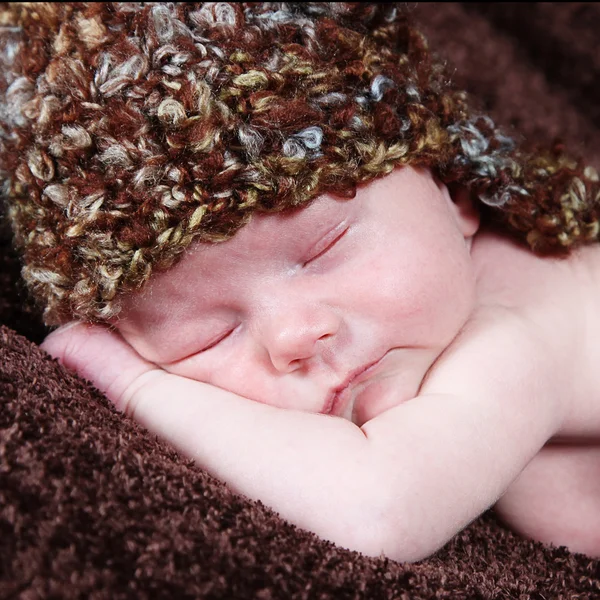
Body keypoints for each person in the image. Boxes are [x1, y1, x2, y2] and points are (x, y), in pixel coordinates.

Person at [2, 2, 600, 562]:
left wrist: (132, 387)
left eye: (323, 250)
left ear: (455, 189)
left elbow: (378, 508)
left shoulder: (517, 327)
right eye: (208, 337)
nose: (295, 336)